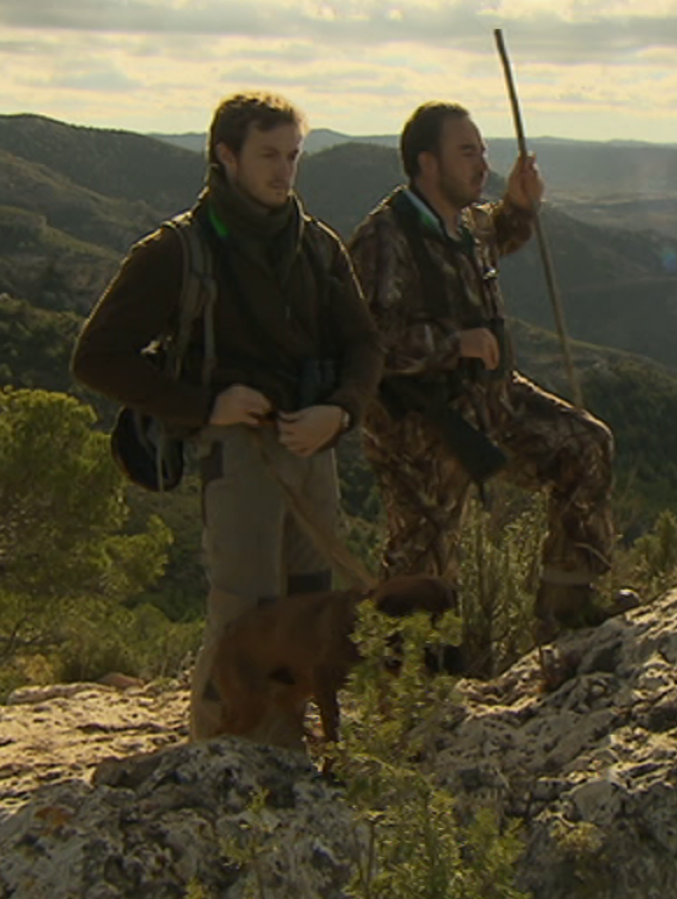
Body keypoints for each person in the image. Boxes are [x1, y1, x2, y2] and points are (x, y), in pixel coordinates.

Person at [71, 92, 382, 748]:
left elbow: (363, 343)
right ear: (226, 155)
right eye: (268, 155)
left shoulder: (317, 245)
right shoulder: (177, 251)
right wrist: (207, 405)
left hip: (311, 439)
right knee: (246, 603)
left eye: (292, 155)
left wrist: (340, 411)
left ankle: (285, 740)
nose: (283, 170)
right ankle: (219, 751)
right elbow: (97, 357)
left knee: (308, 598)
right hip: (233, 449)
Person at [347, 101, 617, 673]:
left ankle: (566, 613)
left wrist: (520, 205)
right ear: (427, 162)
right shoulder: (384, 237)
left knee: (585, 446)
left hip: (491, 400)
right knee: (421, 564)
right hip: (422, 425)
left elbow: (498, 236)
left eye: (483, 151)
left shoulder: (464, 223)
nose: (482, 164)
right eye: (467, 152)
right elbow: (367, 344)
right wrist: (454, 343)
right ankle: (403, 694)